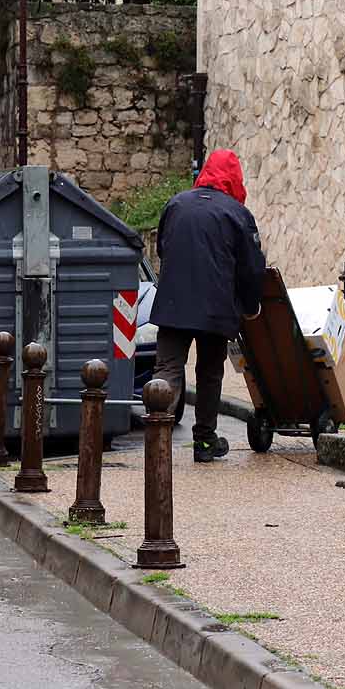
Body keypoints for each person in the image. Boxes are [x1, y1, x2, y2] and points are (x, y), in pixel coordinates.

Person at [150, 149, 266, 463]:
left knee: (167, 368)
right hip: (215, 305)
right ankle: (204, 441)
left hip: (173, 303)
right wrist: (251, 305)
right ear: (234, 178)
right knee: (209, 373)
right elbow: (251, 268)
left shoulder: (175, 204)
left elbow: (162, 247)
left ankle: (156, 438)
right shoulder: (237, 214)